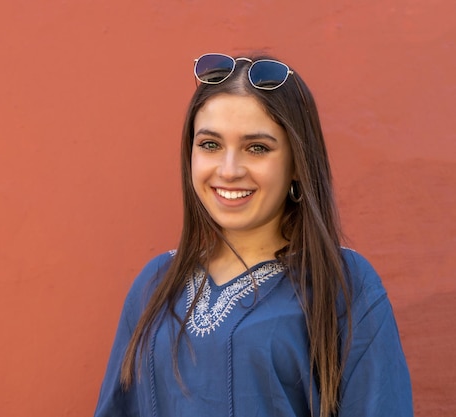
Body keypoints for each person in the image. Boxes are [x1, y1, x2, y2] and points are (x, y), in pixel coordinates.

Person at [93, 53, 413, 417]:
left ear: (297, 164)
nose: (229, 171)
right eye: (210, 145)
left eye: (257, 148)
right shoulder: (155, 285)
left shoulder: (342, 283)